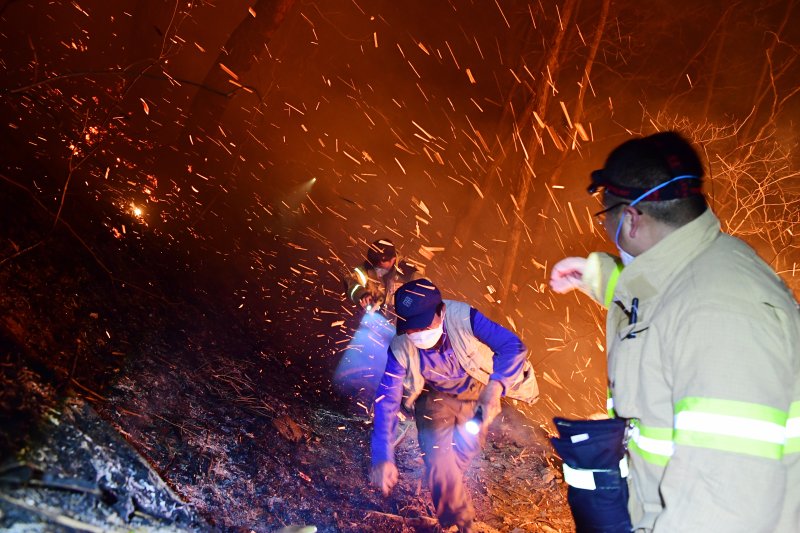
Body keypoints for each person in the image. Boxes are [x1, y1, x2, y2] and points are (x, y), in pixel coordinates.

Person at [549, 131, 800, 532]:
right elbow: (664, 306)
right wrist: (603, 279)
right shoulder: (708, 266)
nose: (606, 227)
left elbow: (725, 507)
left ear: (630, 219)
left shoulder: (720, 317)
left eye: (606, 216)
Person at [369, 278, 539, 532]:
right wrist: (383, 456)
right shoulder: (401, 345)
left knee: (466, 450)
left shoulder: (463, 317)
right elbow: (387, 402)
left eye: (424, 325)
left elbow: (512, 346)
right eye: (411, 329)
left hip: (476, 393)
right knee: (440, 459)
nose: (417, 335)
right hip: (433, 397)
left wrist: (496, 387)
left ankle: (445, 482)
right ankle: (458, 522)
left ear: (441, 311)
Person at [344, 238, 421, 320]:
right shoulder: (366, 268)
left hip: (402, 323)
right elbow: (350, 282)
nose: (378, 273)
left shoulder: (408, 271)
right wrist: (362, 294)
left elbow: (428, 294)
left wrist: (409, 291)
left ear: (393, 260)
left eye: (382, 268)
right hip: (375, 322)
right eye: (376, 268)